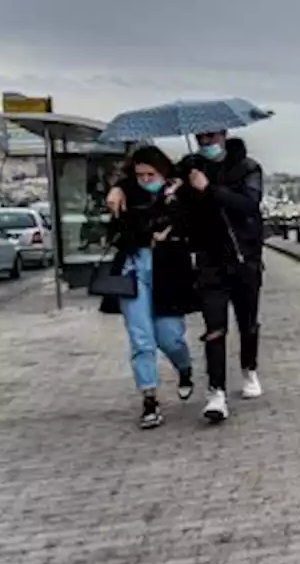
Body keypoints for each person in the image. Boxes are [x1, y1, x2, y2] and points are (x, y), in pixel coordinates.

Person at [108, 131, 266, 424]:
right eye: (201, 135)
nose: (206, 140)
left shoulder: (247, 167)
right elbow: (154, 176)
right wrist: (118, 187)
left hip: (244, 258)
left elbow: (248, 204)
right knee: (211, 329)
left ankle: (248, 369)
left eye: (211, 134)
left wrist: (210, 190)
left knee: (246, 323)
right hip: (207, 260)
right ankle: (214, 393)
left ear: (224, 133)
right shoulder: (189, 166)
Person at [103, 146, 196, 429]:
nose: (145, 180)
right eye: (140, 174)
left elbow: (191, 221)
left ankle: (184, 367)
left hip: (168, 269)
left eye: (151, 174)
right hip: (135, 267)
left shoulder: (178, 191)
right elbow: (114, 233)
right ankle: (149, 399)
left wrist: (172, 215)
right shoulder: (125, 195)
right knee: (141, 338)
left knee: (170, 337)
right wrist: (120, 194)